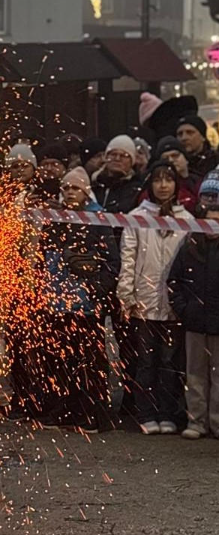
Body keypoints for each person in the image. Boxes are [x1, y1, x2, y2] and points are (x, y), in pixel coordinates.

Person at [36, 167, 119, 433]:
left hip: (86, 305)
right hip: (58, 303)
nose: (70, 192)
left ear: (85, 191)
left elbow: (112, 262)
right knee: (60, 360)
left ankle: (92, 412)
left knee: (90, 361)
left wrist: (95, 292)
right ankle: (65, 409)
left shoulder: (97, 219)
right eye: (66, 188)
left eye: (75, 188)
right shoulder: (54, 219)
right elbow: (43, 256)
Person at [117, 161, 192, 435]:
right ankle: (146, 412)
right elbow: (128, 258)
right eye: (158, 180)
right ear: (150, 184)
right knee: (146, 361)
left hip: (173, 305)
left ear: (176, 184)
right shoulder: (137, 216)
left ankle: (168, 412)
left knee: (170, 362)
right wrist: (127, 295)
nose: (163, 185)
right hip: (144, 303)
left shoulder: (187, 219)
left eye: (168, 180)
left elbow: (189, 263)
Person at [91, 134, 143, 416]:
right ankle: (98, 398)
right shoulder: (94, 185)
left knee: (128, 341)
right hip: (97, 272)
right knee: (94, 341)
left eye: (123, 155)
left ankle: (132, 400)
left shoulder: (137, 188)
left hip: (125, 267)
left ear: (132, 160)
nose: (116, 159)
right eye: (112, 154)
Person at [168, 170, 219, 439]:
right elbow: (174, 280)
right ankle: (196, 421)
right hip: (195, 322)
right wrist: (184, 309)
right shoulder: (190, 245)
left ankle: (216, 422)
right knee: (195, 376)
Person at [154, 136, 200, 211]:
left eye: (175, 156)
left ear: (186, 158)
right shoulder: (156, 188)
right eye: (165, 158)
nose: (171, 160)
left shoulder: (199, 183)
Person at [176, 114, 219, 179]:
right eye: (180, 134)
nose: (184, 138)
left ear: (203, 137)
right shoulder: (174, 164)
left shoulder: (216, 160)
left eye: (190, 132)